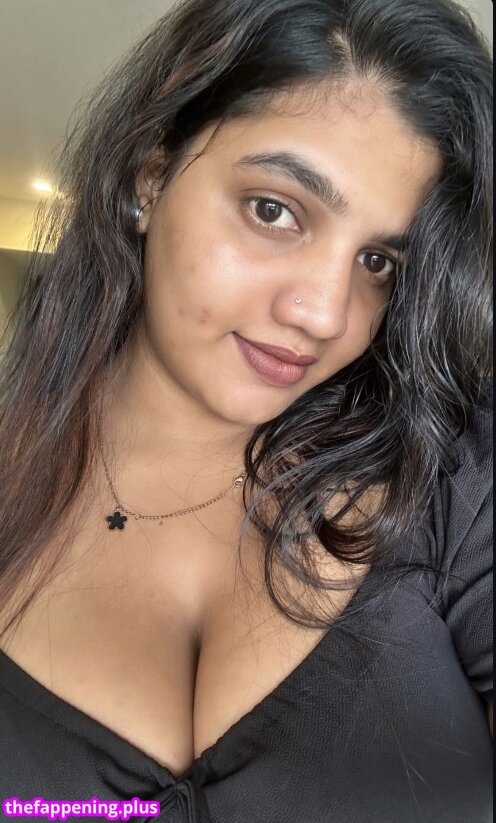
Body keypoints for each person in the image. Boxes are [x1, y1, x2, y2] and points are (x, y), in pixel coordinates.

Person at [0, 0, 492, 820]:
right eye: (275, 209)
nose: (325, 314)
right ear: (150, 175)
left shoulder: (453, 479)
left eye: (377, 260)